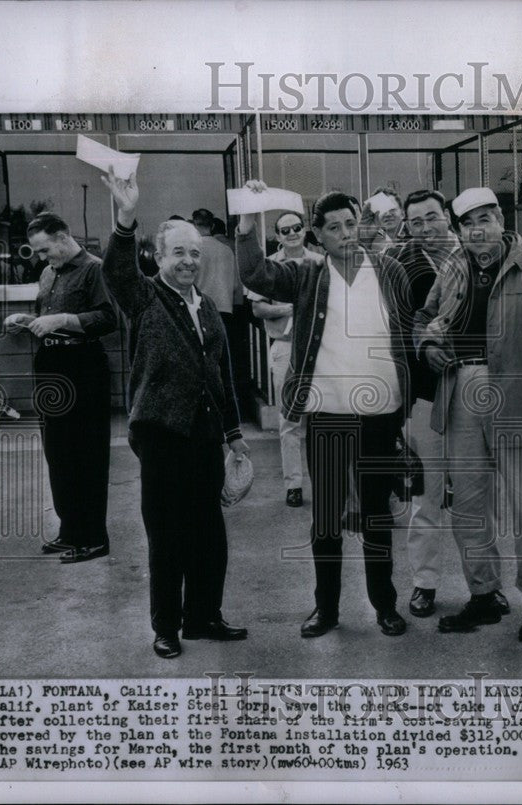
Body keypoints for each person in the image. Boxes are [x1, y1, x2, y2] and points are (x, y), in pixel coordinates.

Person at [237, 181, 414, 639]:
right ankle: (327, 610)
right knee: (327, 519)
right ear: (317, 235)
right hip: (328, 414)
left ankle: (385, 607)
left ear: (361, 225)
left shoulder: (390, 269)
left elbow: (411, 325)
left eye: (351, 223)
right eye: (333, 227)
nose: (345, 233)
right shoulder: (307, 275)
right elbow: (255, 274)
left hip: (381, 414)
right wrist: (247, 220)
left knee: (376, 515)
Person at [414, 186, 522, 643]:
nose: (476, 230)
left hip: (518, 394)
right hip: (461, 387)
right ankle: (484, 595)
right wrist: (427, 344)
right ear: (459, 229)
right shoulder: (452, 266)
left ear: (502, 221)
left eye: (484, 219)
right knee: (468, 506)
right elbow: (426, 316)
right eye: (467, 223)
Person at [100, 169, 250, 660]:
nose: (188, 261)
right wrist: (126, 217)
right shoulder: (145, 297)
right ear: (159, 257)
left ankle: (204, 617)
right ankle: (166, 627)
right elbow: (117, 273)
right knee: (167, 538)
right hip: (163, 437)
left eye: (194, 253)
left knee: (209, 533)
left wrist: (234, 435)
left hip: (205, 436)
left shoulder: (206, 306)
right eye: (178, 253)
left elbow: (222, 374)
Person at [4, 213, 117, 563]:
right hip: (51, 366)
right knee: (59, 453)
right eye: (37, 252)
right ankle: (71, 531)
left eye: (45, 249)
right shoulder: (48, 272)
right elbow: (46, 317)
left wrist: (65, 320)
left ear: (65, 237)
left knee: (88, 454)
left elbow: (110, 318)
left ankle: (95, 537)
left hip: (83, 367)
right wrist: (26, 321)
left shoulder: (95, 269)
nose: (41, 257)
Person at [385, 189, 462, 618]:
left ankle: (482, 586)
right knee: (426, 498)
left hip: (473, 391)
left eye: (433, 217)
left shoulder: (476, 254)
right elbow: (397, 333)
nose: (426, 228)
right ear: (406, 227)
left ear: (447, 217)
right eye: (416, 222)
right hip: (425, 396)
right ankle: (424, 583)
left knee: (473, 497)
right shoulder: (401, 266)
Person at [248, 211, 322, 507]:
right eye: (284, 230)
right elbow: (258, 310)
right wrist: (290, 309)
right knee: (289, 419)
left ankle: (325, 481)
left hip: (317, 349)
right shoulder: (269, 267)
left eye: (296, 227)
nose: (292, 233)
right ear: (277, 236)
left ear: (305, 230)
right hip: (285, 347)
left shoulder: (319, 262)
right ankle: (293, 485)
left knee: (321, 418)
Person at [191, 208, 239, 336]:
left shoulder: (192, 252)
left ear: (194, 226)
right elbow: (234, 286)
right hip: (225, 310)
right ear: (212, 226)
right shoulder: (227, 250)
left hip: (200, 310)